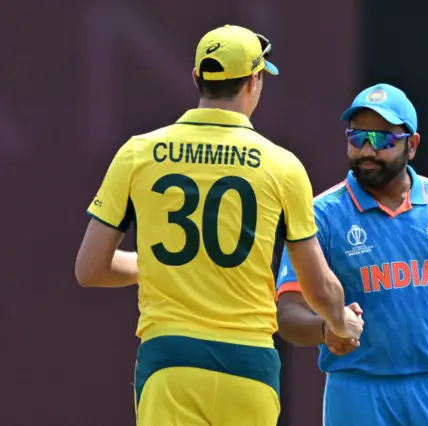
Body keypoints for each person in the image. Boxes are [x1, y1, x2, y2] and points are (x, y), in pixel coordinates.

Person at [74, 24, 363, 426]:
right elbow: (318, 286)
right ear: (254, 80)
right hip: (248, 365)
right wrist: (340, 324)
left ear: (197, 79)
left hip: (169, 363)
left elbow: (90, 269)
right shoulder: (282, 166)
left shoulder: (137, 153)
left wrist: (161, 266)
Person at [275, 83, 428, 426]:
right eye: (358, 138)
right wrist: (327, 330)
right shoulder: (321, 215)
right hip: (358, 392)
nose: (367, 150)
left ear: (411, 145)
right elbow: (288, 314)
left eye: (383, 140)